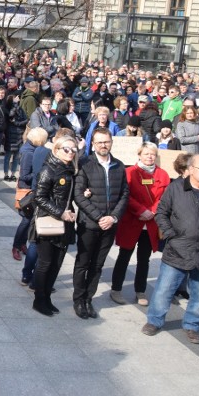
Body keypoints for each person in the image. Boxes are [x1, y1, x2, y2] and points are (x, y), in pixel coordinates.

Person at [143, 154, 199, 345]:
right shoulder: (176, 188)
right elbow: (162, 212)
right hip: (177, 250)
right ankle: (154, 321)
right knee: (164, 290)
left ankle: (192, 326)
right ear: (192, 169)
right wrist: (170, 234)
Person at [72, 128, 129, 319]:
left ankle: (89, 299)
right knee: (83, 262)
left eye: (106, 142)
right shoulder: (85, 164)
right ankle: (79, 299)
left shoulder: (119, 166)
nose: (103, 145)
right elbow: (79, 195)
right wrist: (99, 217)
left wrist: (113, 217)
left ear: (111, 142)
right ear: (93, 144)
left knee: (97, 264)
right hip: (89, 223)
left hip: (110, 225)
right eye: (99, 142)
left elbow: (124, 194)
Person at [110, 142, 169, 307]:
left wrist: (153, 211)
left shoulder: (163, 174)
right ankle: (116, 289)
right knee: (124, 256)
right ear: (139, 155)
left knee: (144, 259)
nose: (149, 157)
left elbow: (164, 197)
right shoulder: (129, 172)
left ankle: (140, 290)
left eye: (152, 154)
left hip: (150, 223)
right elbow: (125, 196)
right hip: (132, 220)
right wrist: (141, 210)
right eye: (146, 154)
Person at [31, 133, 78, 316]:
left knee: (57, 263)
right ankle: (39, 299)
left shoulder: (70, 169)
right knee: (45, 262)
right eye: (66, 149)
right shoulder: (49, 170)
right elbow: (39, 197)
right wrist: (60, 212)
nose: (70, 153)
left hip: (64, 223)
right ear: (56, 149)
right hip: (49, 221)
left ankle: (47, 298)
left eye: (73, 150)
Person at [14, 127, 48, 262]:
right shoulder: (29, 152)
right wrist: (40, 174)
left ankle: (22, 244)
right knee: (25, 220)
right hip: (26, 191)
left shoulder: (31, 148)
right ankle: (16, 246)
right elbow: (24, 175)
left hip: (30, 189)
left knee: (28, 221)